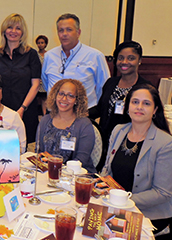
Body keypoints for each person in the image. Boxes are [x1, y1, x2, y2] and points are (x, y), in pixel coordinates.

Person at [101, 84, 172, 238]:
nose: (139, 107)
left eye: (146, 103)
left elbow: (162, 193)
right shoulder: (118, 130)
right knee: (84, 223)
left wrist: (123, 200)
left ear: (154, 110)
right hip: (115, 206)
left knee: (105, 235)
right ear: (127, 107)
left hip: (147, 214)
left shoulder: (165, 143)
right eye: (135, 102)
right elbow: (107, 170)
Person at [90, 41, 151, 171]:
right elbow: (101, 109)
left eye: (131, 58)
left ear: (139, 60)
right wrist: (81, 113)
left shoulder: (145, 88)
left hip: (129, 142)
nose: (124, 62)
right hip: (106, 139)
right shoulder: (111, 83)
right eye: (121, 58)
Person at [42, 13, 110, 115]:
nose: (64, 34)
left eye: (69, 29)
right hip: (54, 114)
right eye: (61, 30)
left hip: (83, 114)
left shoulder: (95, 56)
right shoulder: (49, 56)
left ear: (78, 32)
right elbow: (46, 82)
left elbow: (104, 88)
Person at [0, 13, 41, 143]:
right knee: (0, 145)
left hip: (25, 109)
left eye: (18, 28)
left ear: (23, 32)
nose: (13, 31)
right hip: (0, 111)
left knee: (24, 147)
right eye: (10, 27)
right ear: (4, 31)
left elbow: (35, 85)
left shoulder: (31, 54)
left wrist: (22, 108)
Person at [36, 79, 96, 173]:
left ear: (77, 100)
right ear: (55, 95)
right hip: (47, 173)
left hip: (76, 176)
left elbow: (82, 160)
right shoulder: (45, 120)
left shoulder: (84, 124)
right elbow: (39, 152)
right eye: (61, 94)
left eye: (70, 96)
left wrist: (59, 173)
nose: (64, 99)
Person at [36, 35, 49, 116]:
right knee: (37, 97)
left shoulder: (48, 54)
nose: (40, 44)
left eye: (42, 43)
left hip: (45, 77)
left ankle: (44, 114)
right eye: (38, 43)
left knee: (44, 97)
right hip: (37, 77)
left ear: (45, 44)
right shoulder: (35, 54)